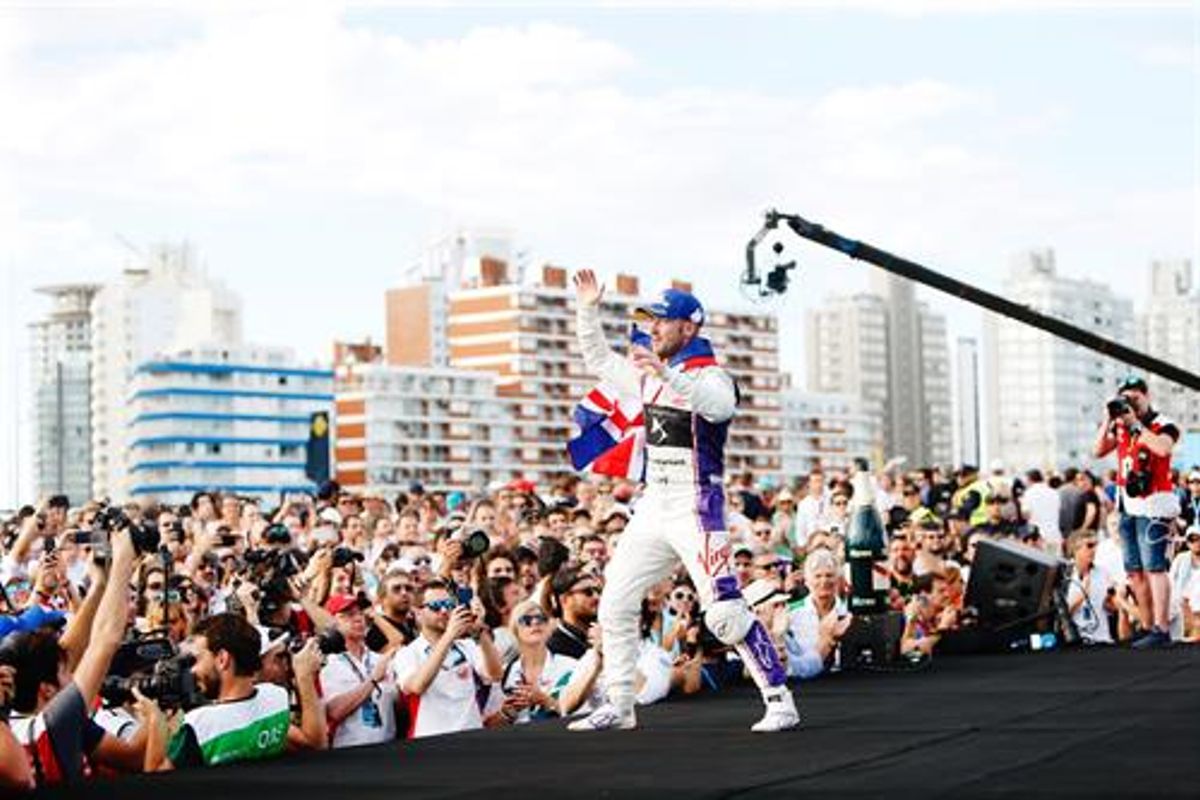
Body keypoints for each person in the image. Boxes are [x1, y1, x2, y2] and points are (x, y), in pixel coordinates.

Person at [568, 270, 796, 733]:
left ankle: (779, 700)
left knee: (726, 613)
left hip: (698, 505)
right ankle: (621, 704)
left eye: (660, 322)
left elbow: (718, 407)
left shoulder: (713, 376)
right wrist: (587, 308)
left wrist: (665, 372)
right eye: (648, 321)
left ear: (688, 328)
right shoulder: (650, 375)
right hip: (655, 505)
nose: (651, 329)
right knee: (614, 601)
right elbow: (596, 358)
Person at [145, 613, 296, 770]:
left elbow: (155, 780)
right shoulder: (277, 697)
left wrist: (155, 717)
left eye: (196, 659)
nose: (193, 670)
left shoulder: (199, 725)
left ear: (222, 659)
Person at [1094, 375, 1180, 648]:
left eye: (1135, 397)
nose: (1130, 402)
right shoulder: (1119, 426)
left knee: (1155, 567)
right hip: (1126, 504)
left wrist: (1134, 424)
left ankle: (1162, 628)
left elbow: (1162, 448)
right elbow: (1098, 451)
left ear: (1147, 396)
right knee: (1134, 571)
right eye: (1125, 398)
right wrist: (1109, 418)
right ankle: (1147, 625)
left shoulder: (1162, 423)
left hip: (1155, 504)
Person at [391, 580, 503, 739]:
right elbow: (417, 686)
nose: (444, 610)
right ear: (417, 612)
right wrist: (449, 635)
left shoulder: (467, 646)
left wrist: (480, 631)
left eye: (449, 604)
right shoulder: (407, 653)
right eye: (436, 606)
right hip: (431, 742)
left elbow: (495, 674)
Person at [320, 594, 397, 749]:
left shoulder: (380, 659)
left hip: (389, 747)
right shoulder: (328, 664)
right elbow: (334, 711)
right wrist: (373, 680)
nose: (358, 619)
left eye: (360, 613)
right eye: (348, 615)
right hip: (349, 754)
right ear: (333, 623)